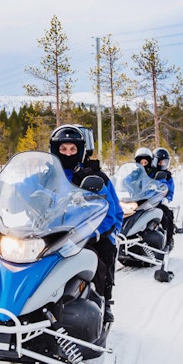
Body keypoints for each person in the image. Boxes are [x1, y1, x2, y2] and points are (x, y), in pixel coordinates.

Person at [49, 125, 123, 324]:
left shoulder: (96, 177)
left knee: (102, 254)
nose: (68, 153)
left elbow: (112, 212)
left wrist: (95, 232)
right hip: (48, 232)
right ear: (55, 151)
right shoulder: (46, 176)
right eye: (63, 149)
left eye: (72, 150)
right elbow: (21, 189)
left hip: (84, 233)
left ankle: (103, 301)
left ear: (80, 151)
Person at [135, 146, 175, 248]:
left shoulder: (167, 176)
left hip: (157, 201)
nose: (162, 164)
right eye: (160, 162)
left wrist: (166, 199)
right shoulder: (149, 173)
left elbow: (169, 190)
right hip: (142, 200)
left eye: (164, 162)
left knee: (167, 215)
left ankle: (169, 239)